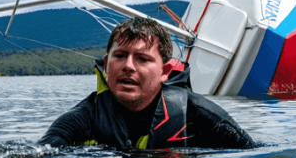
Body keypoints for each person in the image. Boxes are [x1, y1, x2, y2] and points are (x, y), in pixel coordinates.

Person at [39, 17, 256, 150]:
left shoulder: (202, 116)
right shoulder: (81, 120)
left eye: (142, 59)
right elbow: (38, 157)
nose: (129, 66)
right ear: (106, 65)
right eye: (120, 56)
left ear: (166, 71)